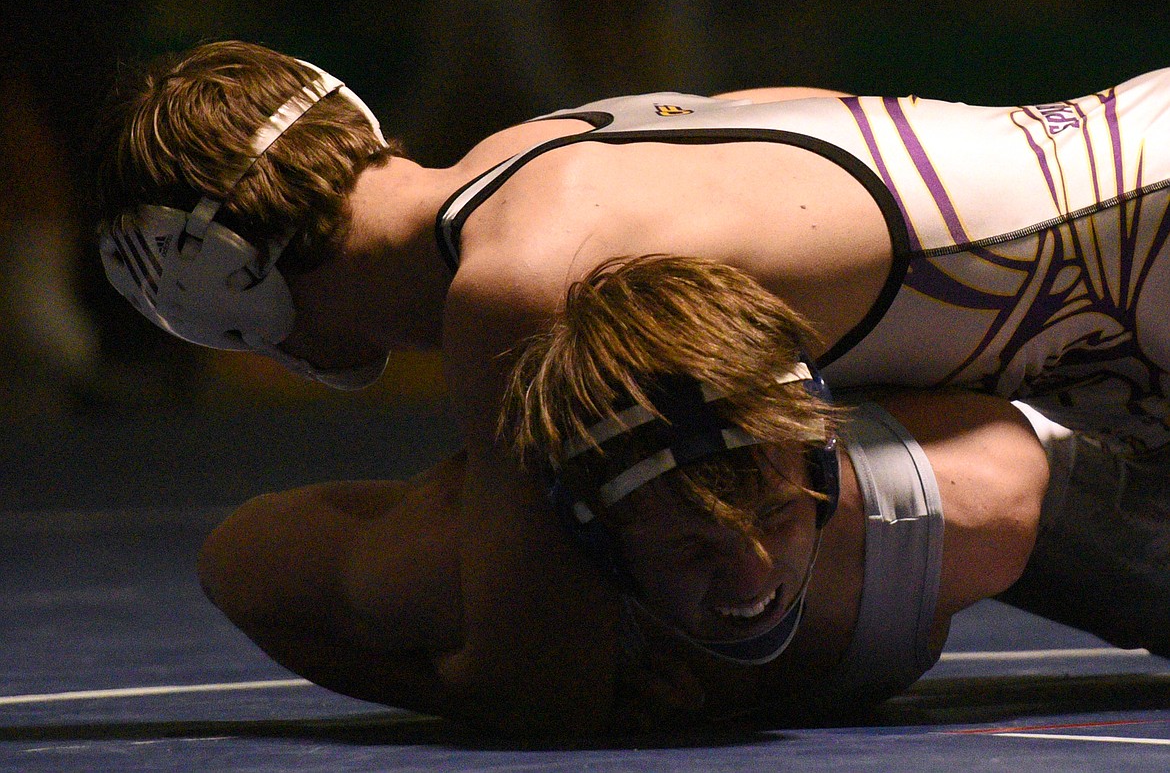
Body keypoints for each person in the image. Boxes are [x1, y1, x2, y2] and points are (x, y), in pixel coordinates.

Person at [94, 40, 1170, 727]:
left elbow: (533, 685)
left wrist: (447, 680)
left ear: (227, 293)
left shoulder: (517, 283)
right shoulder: (543, 148)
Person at [197, 255, 1050, 734]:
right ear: (595, 538)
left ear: (819, 471)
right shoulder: (496, 574)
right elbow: (235, 563)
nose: (751, 575)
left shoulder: (968, 508)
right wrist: (478, 687)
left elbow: (1020, 441)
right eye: (692, 547)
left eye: (778, 515)